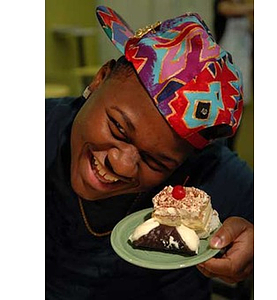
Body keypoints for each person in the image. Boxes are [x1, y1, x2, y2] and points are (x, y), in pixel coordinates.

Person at [46, 6, 254, 300]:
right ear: (99, 79)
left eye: (155, 161)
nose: (122, 164)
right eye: (118, 128)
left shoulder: (210, 173)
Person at [214, 0, 254, 150]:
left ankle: (230, 147)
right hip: (226, 59)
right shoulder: (225, 4)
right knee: (224, 104)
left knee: (239, 106)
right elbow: (224, 9)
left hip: (244, 61)